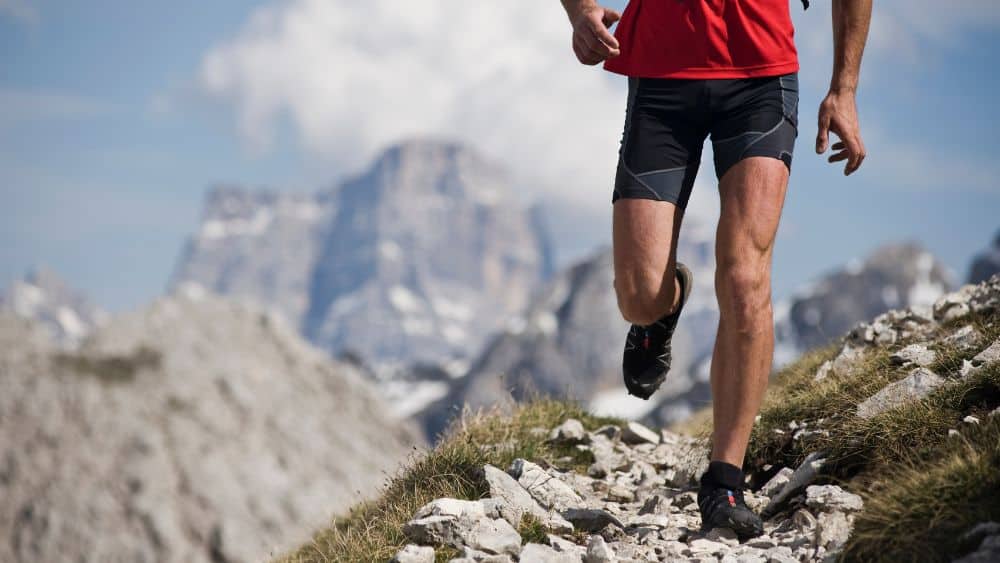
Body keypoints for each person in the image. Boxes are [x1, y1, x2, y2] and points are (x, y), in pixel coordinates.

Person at [558, 0, 871, 539]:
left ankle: (724, 481)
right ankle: (665, 307)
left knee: (746, 277)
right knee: (638, 297)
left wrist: (844, 87)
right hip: (660, 74)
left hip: (761, 78)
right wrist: (580, 10)